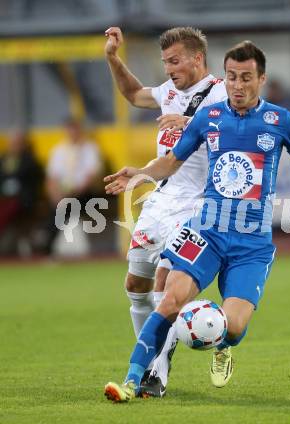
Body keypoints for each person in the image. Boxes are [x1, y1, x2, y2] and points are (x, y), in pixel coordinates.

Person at [103, 40, 290, 403]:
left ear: (261, 79)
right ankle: (134, 379)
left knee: (232, 327)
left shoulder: (280, 121)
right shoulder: (209, 118)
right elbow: (172, 162)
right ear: (224, 77)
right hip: (207, 232)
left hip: (251, 245)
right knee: (168, 299)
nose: (237, 85)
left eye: (246, 78)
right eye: (231, 77)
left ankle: (222, 345)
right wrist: (142, 172)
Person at [104, 26, 227, 397]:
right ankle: (155, 360)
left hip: (199, 201)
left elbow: (236, 132)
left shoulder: (222, 92)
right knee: (135, 285)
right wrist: (112, 57)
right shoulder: (168, 92)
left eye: (175, 61)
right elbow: (131, 93)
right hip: (162, 197)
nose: (169, 68)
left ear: (197, 58)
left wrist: (190, 123)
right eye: (165, 62)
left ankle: (154, 373)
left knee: (164, 283)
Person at [43, 118, 102, 255]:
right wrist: (55, 196)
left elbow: (91, 177)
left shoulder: (90, 148)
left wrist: (72, 192)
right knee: (60, 207)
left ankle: (46, 243)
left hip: (85, 194)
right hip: (63, 196)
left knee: (64, 208)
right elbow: (52, 178)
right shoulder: (58, 150)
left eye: (74, 129)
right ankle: (45, 240)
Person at [0, 130, 42, 255]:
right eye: (12, 143)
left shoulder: (30, 161)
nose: (14, 146)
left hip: (22, 199)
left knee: (8, 209)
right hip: (3, 198)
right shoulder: (3, 159)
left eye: (17, 143)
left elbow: (32, 183)